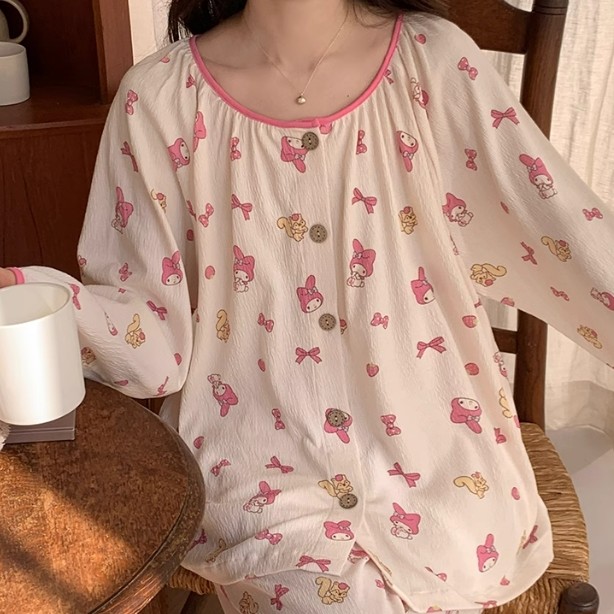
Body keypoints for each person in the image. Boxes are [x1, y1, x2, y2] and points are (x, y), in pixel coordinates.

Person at [1, 0, 612, 611]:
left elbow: (559, 228)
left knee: (454, 553)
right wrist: (39, 299)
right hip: (257, 469)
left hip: (442, 449)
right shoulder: (159, 99)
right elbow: (152, 342)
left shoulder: (433, 61)